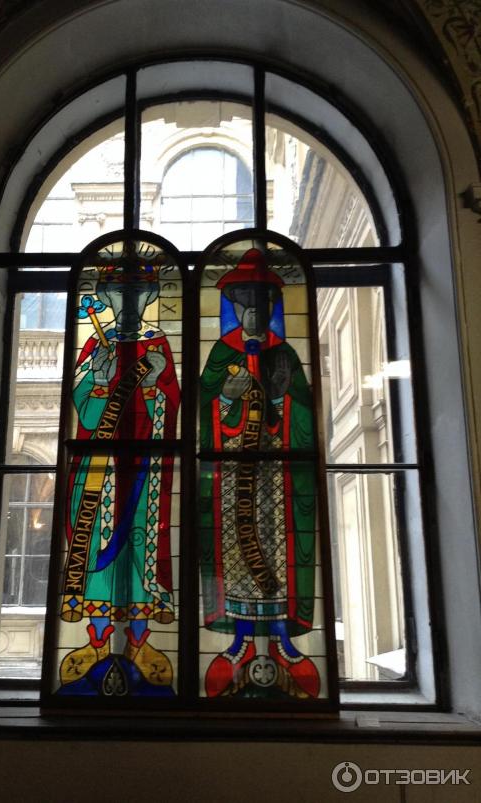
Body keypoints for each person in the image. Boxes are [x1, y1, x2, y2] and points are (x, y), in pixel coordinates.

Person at [199, 247, 320, 699]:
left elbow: (305, 415)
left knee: (276, 550)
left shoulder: (284, 353)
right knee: (235, 551)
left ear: (271, 310)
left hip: (277, 480)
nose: (254, 313)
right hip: (233, 477)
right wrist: (225, 399)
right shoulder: (220, 353)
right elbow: (202, 409)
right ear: (236, 309)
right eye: (247, 305)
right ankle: (241, 637)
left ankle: (281, 636)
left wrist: (282, 401)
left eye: (262, 305)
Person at [58, 250, 180, 696]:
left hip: (144, 469)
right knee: (95, 547)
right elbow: (84, 410)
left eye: (138, 293)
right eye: (118, 292)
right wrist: (97, 379)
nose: (128, 301)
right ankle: (96, 643)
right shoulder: (96, 346)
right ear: (107, 297)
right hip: (99, 469)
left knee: (140, 548)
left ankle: (140, 644)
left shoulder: (157, 344)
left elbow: (171, 402)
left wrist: (154, 385)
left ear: (148, 297)